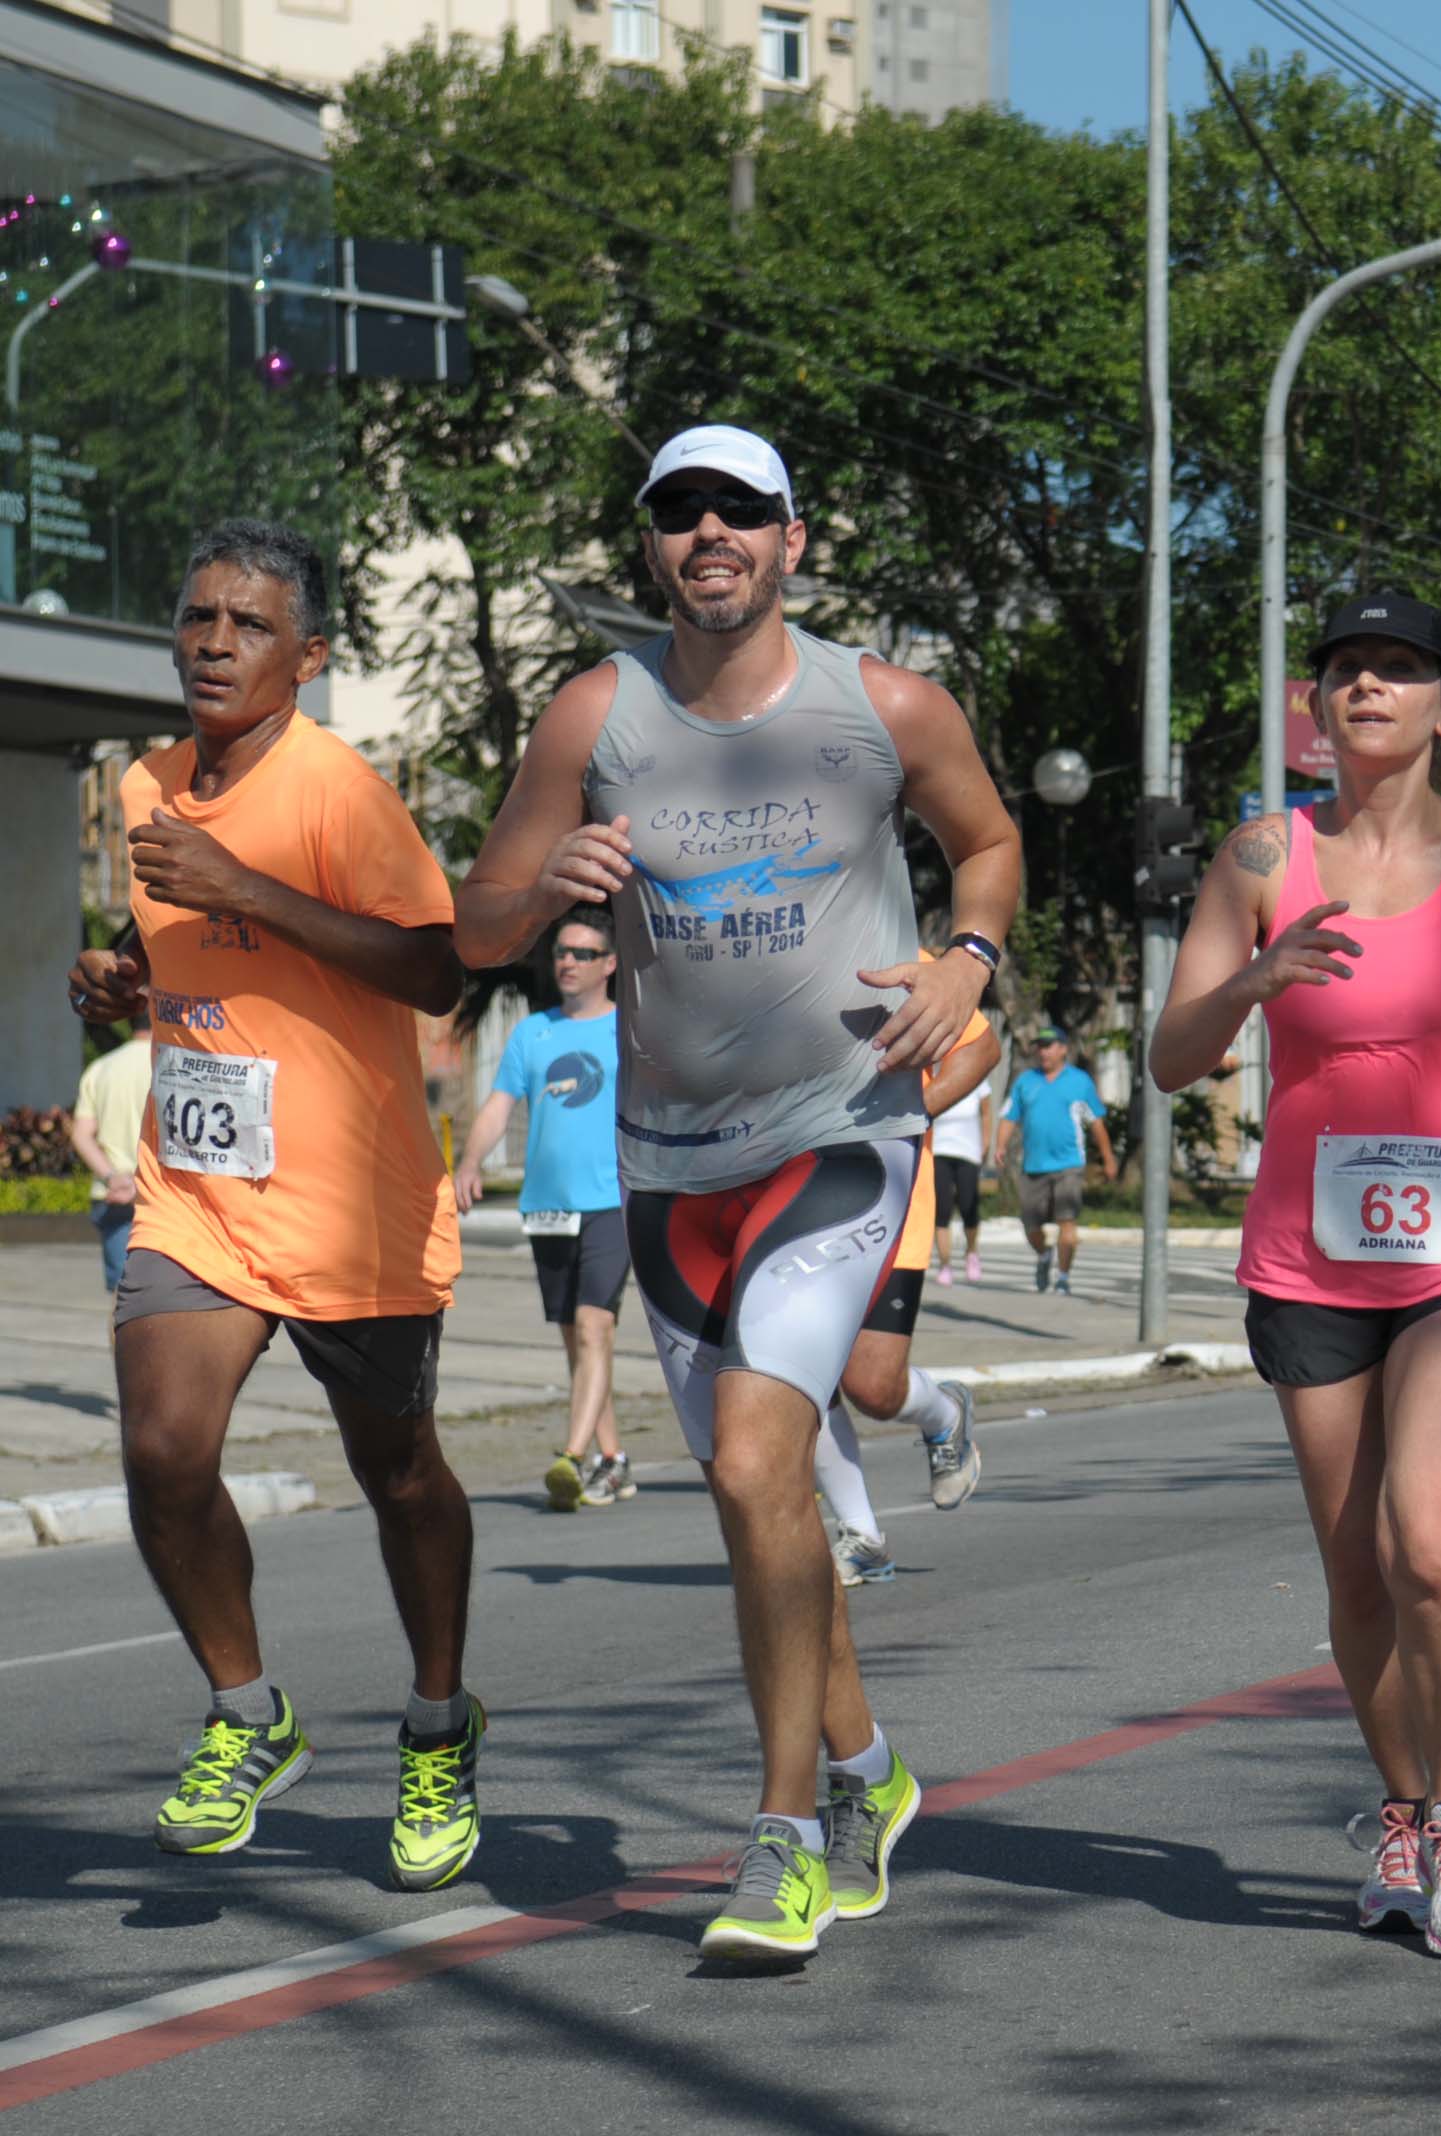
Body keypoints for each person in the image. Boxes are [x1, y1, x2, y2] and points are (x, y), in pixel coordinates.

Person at [453, 425, 1021, 1964]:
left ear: (792, 538)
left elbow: (989, 842)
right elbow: (477, 923)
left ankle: (778, 1841)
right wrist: (545, 884)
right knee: (754, 1496)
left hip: (841, 1131)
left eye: (739, 512)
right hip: (666, 1165)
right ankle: (866, 1772)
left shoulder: (882, 702)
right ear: (653, 546)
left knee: (763, 1453)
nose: (710, 534)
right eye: (679, 513)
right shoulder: (597, 713)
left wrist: (971, 960)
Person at [1156, 591, 1441, 1959]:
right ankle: (1401, 1810)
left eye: (1402, 671)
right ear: (1319, 705)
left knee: (1430, 1538)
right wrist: (1251, 983)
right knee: (1355, 1573)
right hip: (1308, 1259)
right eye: (1348, 669)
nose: (1370, 689)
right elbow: (1175, 1058)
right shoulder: (1257, 855)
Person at [69, 520, 480, 1887]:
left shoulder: (338, 794)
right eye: (195, 618)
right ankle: (248, 1712)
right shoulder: (145, 788)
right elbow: (188, 942)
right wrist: (131, 977)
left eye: (246, 626)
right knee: (165, 1451)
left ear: (307, 657)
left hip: (351, 1202)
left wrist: (245, 888)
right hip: (200, 1195)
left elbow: (436, 972)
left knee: (399, 1474)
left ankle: (436, 1723)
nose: (210, 643)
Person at [817, 955, 992, 1586]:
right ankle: (861, 1535)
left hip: (887, 1198)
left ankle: (942, 1415)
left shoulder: (898, 956)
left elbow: (981, 1050)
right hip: (784, 1195)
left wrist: (912, 1115)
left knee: (874, 1387)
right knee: (799, 1376)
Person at [454, 907, 635, 1511]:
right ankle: (613, 1460)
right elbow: (499, 1107)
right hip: (547, 1207)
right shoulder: (533, 1033)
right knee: (576, 1340)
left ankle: (572, 1456)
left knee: (594, 1327)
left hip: (613, 1200)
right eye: (562, 951)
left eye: (583, 954)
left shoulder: (628, 1029)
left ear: (610, 964)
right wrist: (470, 1164)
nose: (568, 962)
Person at [996, 1029, 1116, 1294]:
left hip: (1069, 1164)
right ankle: (1043, 1254)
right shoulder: (1026, 1081)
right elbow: (1008, 1116)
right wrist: (1000, 1145)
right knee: (1030, 1226)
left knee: (1067, 1223)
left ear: (1063, 1048)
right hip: (1033, 1165)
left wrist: (1108, 1158)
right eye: (1040, 1046)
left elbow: (1096, 1122)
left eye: (1049, 1046)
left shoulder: (1079, 1081)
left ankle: (1063, 1277)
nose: (1043, 1052)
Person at [69, 1026, 150, 1291]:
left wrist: (113, 1178)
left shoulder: (101, 1068)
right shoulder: (171, 1064)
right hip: (162, 1196)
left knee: (121, 1297)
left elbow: (81, 1135)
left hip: (113, 1194)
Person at [925, 1041, 989, 1286]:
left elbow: (986, 1113)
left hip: (968, 1151)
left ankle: (971, 1251)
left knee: (968, 1205)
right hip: (939, 1149)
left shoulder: (976, 1079)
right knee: (941, 1209)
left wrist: (985, 1142)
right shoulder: (933, 1077)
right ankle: (945, 1264)